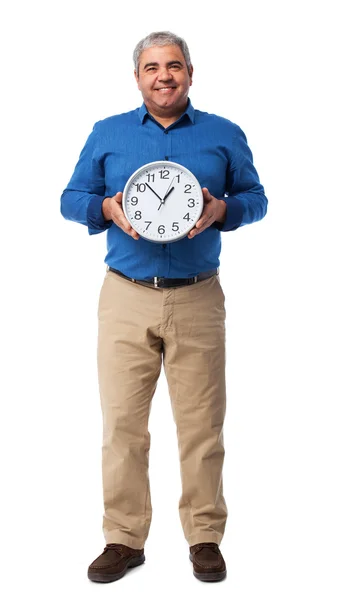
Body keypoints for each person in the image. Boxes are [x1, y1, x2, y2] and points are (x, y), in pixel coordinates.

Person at [60, 30, 268, 584]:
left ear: (190, 73)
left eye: (174, 65)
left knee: (202, 425)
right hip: (126, 296)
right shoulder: (109, 133)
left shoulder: (224, 135)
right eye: (152, 67)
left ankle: (204, 536)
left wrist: (226, 210)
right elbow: (70, 198)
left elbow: (256, 197)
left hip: (199, 296)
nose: (164, 76)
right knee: (122, 426)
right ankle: (124, 539)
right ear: (138, 77)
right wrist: (104, 206)